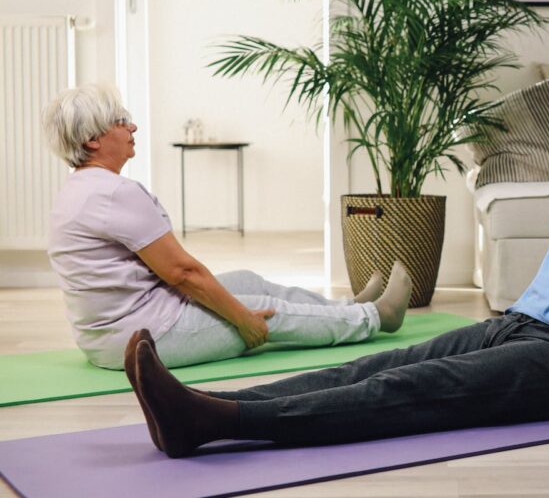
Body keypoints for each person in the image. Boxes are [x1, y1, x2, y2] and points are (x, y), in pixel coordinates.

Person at [126, 0, 549, 458]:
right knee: (378, 365)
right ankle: (201, 405)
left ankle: (216, 422)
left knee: (407, 391)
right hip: (520, 325)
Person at [42, 83, 413, 371]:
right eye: (120, 122)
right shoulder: (113, 193)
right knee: (265, 309)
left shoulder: (81, 188)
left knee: (248, 282)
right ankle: (375, 318)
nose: (132, 126)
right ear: (92, 140)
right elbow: (182, 272)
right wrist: (243, 321)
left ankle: (346, 307)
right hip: (144, 337)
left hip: (116, 333)